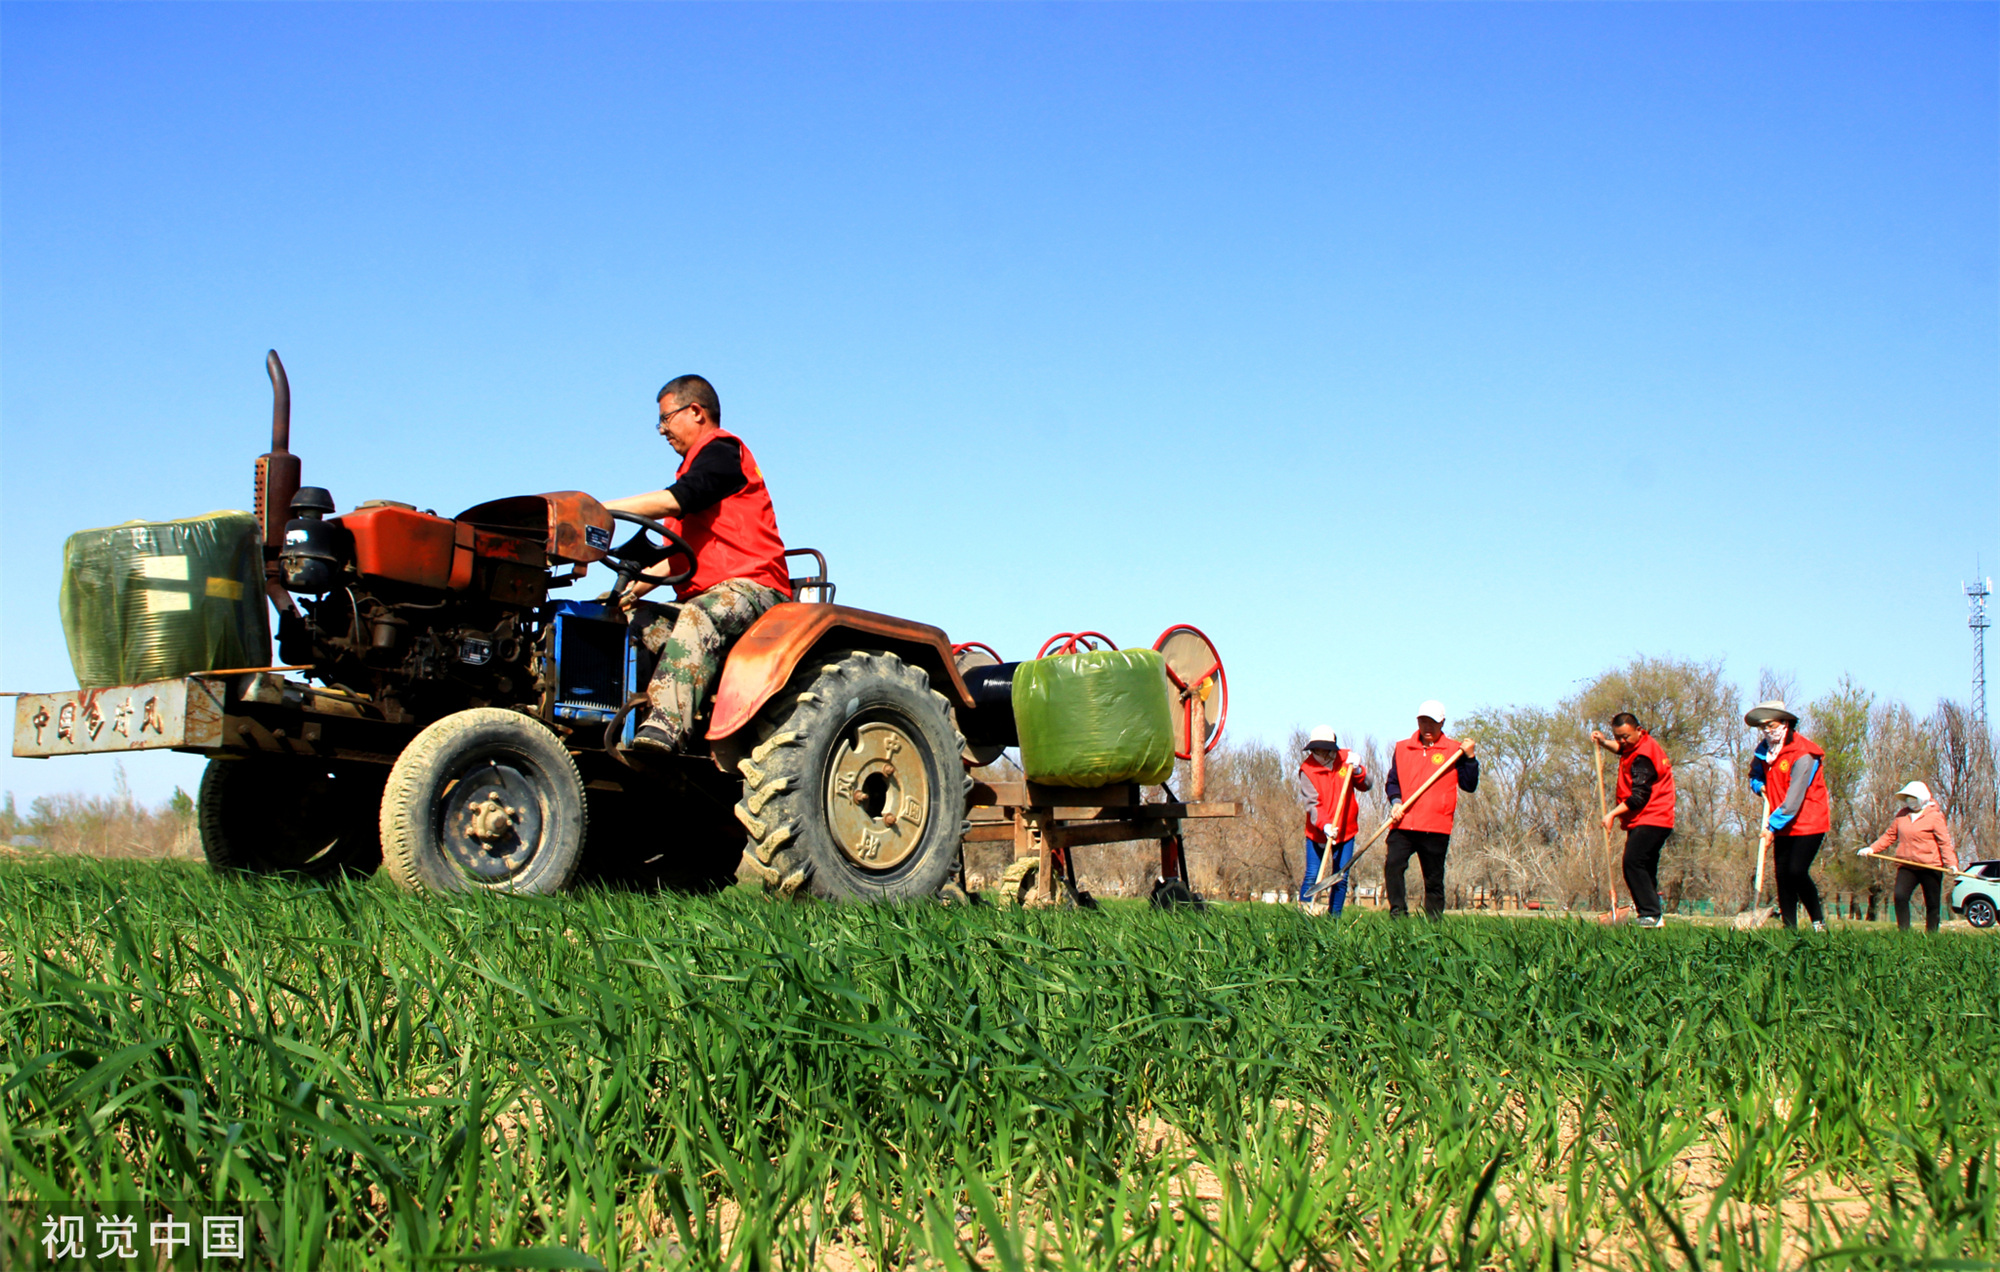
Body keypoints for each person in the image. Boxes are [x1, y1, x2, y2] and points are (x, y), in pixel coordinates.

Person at [602, 375, 792, 752]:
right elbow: (671, 564)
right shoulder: (692, 477)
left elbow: (677, 499)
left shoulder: (723, 452)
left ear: (695, 411)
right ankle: (615, 718)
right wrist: (623, 597)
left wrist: (599, 509)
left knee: (699, 614)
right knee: (632, 621)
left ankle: (666, 727)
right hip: (706, 596)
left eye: (665, 419)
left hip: (755, 590)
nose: (662, 430)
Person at [1381, 700, 1480, 919]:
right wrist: (1396, 802)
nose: (1427, 727)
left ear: (1442, 722)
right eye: (1423, 721)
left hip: (1436, 825)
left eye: (1432, 722)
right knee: (1393, 865)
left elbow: (1469, 785)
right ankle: (1398, 914)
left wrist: (1470, 758)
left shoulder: (1455, 751)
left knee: (1433, 878)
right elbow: (1393, 782)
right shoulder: (1403, 748)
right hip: (1404, 822)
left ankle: (1433, 922)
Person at [1744, 700, 1830, 931]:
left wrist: (1771, 827)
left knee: (1796, 871)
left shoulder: (1805, 754)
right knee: (1782, 875)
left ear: (1785, 723)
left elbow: (1794, 800)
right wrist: (1759, 786)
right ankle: (1789, 928)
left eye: (1771, 725)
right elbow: (1754, 775)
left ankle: (1818, 923)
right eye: (1763, 727)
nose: (1767, 731)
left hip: (1808, 821)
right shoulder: (1764, 751)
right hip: (1782, 822)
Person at [1591, 712, 1677, 929]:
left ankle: (1649, 913)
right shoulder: (1637, 745)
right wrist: (1604, 742)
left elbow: (1639, 797)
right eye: (1617, 737)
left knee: (1633, 862)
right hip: (1649, 818)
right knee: (1645, 867)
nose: (1622, 741)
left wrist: (1611, 814)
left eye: (1626, 736)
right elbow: (1622, 749)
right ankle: (1653, 917)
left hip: (1652, 817)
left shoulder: (1643, 758)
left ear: (1639, 730)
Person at [1861, 780, 1957, 934]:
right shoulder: (1902, 816)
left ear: (1923, 798)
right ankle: (1904, 933)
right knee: (1900, 896)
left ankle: (1932, 935)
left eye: (1914, 799)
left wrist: (1951, 864)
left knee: (1932, 903)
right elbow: (1889, 836)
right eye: (1908, 799)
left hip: (1930, 866)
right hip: (1907, 865)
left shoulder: (1935, 817)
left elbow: (1944, 842)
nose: (1911, 803)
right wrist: (1872, 848)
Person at [1294, 727, 1371, 916]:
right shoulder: (1307, 770)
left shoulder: (1346, 760)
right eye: (1317, 750)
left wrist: (1358, 770)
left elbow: (1366, 785)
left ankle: (1334, 919)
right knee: (1312, 875)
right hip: (1318, 832)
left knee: (1340, 877)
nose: (1321, 755)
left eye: (1324, 750)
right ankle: (1305, 916)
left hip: (1346, 831)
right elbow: (1313, 804)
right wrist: (1325, 825)